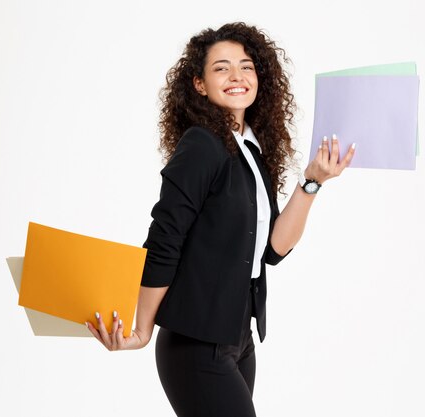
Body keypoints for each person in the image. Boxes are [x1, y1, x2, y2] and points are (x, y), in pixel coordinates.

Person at [86, 22, 355, 416]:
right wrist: (143, 327)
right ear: (199, 84)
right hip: (195, 342)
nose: (237, 76)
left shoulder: (250, 150)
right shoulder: (201, 145)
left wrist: (312, 182)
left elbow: (273, 249)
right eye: (221, 68)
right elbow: (165, 238)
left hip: (237, 338)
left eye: (246, 66)